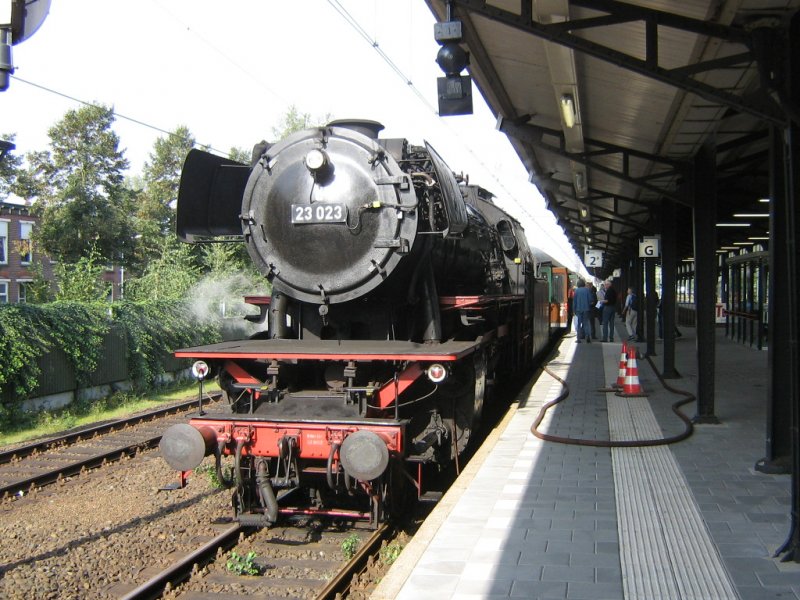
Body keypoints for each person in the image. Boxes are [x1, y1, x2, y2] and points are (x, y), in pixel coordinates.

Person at [572, 279, 593, 343]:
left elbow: (574, 302)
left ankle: (578, 339)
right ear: (583, 284)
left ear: (578, 284)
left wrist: (574, 310)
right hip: (586, 309)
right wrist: (588, 305)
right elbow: (590, 300)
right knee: (586, 323)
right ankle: (588, 337)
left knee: (579, 324)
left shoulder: (576, 291)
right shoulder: (587, 290)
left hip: (578, 310)